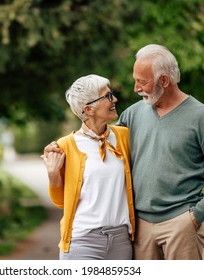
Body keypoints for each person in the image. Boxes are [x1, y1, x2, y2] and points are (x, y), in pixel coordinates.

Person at [45, 44, 204, 260]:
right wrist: (60, 149)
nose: (136, 88)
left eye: (142, 82)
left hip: (181, 223)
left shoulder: (202, 118)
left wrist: (197, 215)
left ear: (164, 81)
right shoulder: (132, 115)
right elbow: (98, 139)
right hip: (139, 228)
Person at [40, 74, 135, 260]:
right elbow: (60, 202)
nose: (114, 99)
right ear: (89, 109)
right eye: (107, 96)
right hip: (83, 242)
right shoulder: (66, 145)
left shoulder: (124, 137)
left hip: (121, 241)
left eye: (112, 94)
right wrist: (52, 173)